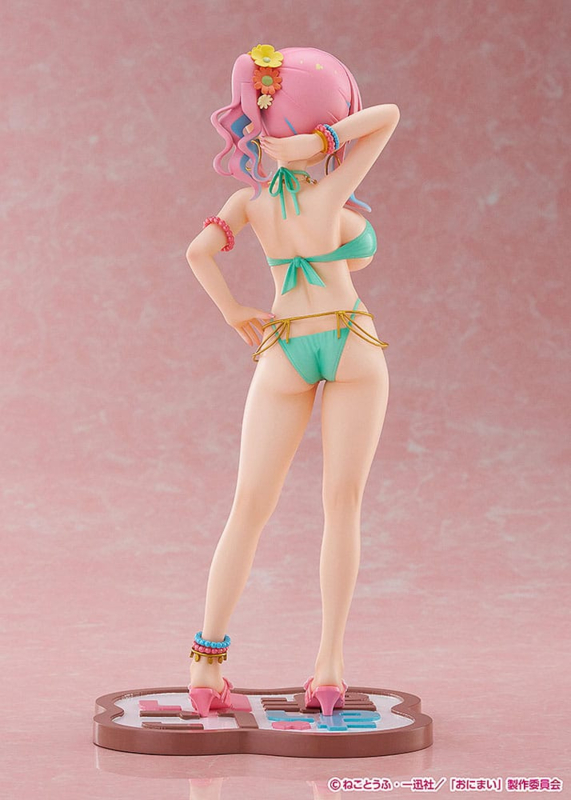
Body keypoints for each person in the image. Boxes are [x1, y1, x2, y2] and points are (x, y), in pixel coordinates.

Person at [185, 44, 400, 717]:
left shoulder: (249, 204)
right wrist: (326, 141)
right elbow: (388, 116)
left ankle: (204, 668)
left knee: (249, 505)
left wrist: (233, 311)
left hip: (284, 344)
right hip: (350, 341)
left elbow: (197, 253)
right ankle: (328, 669)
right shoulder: (330, 190)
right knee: (342, 503)